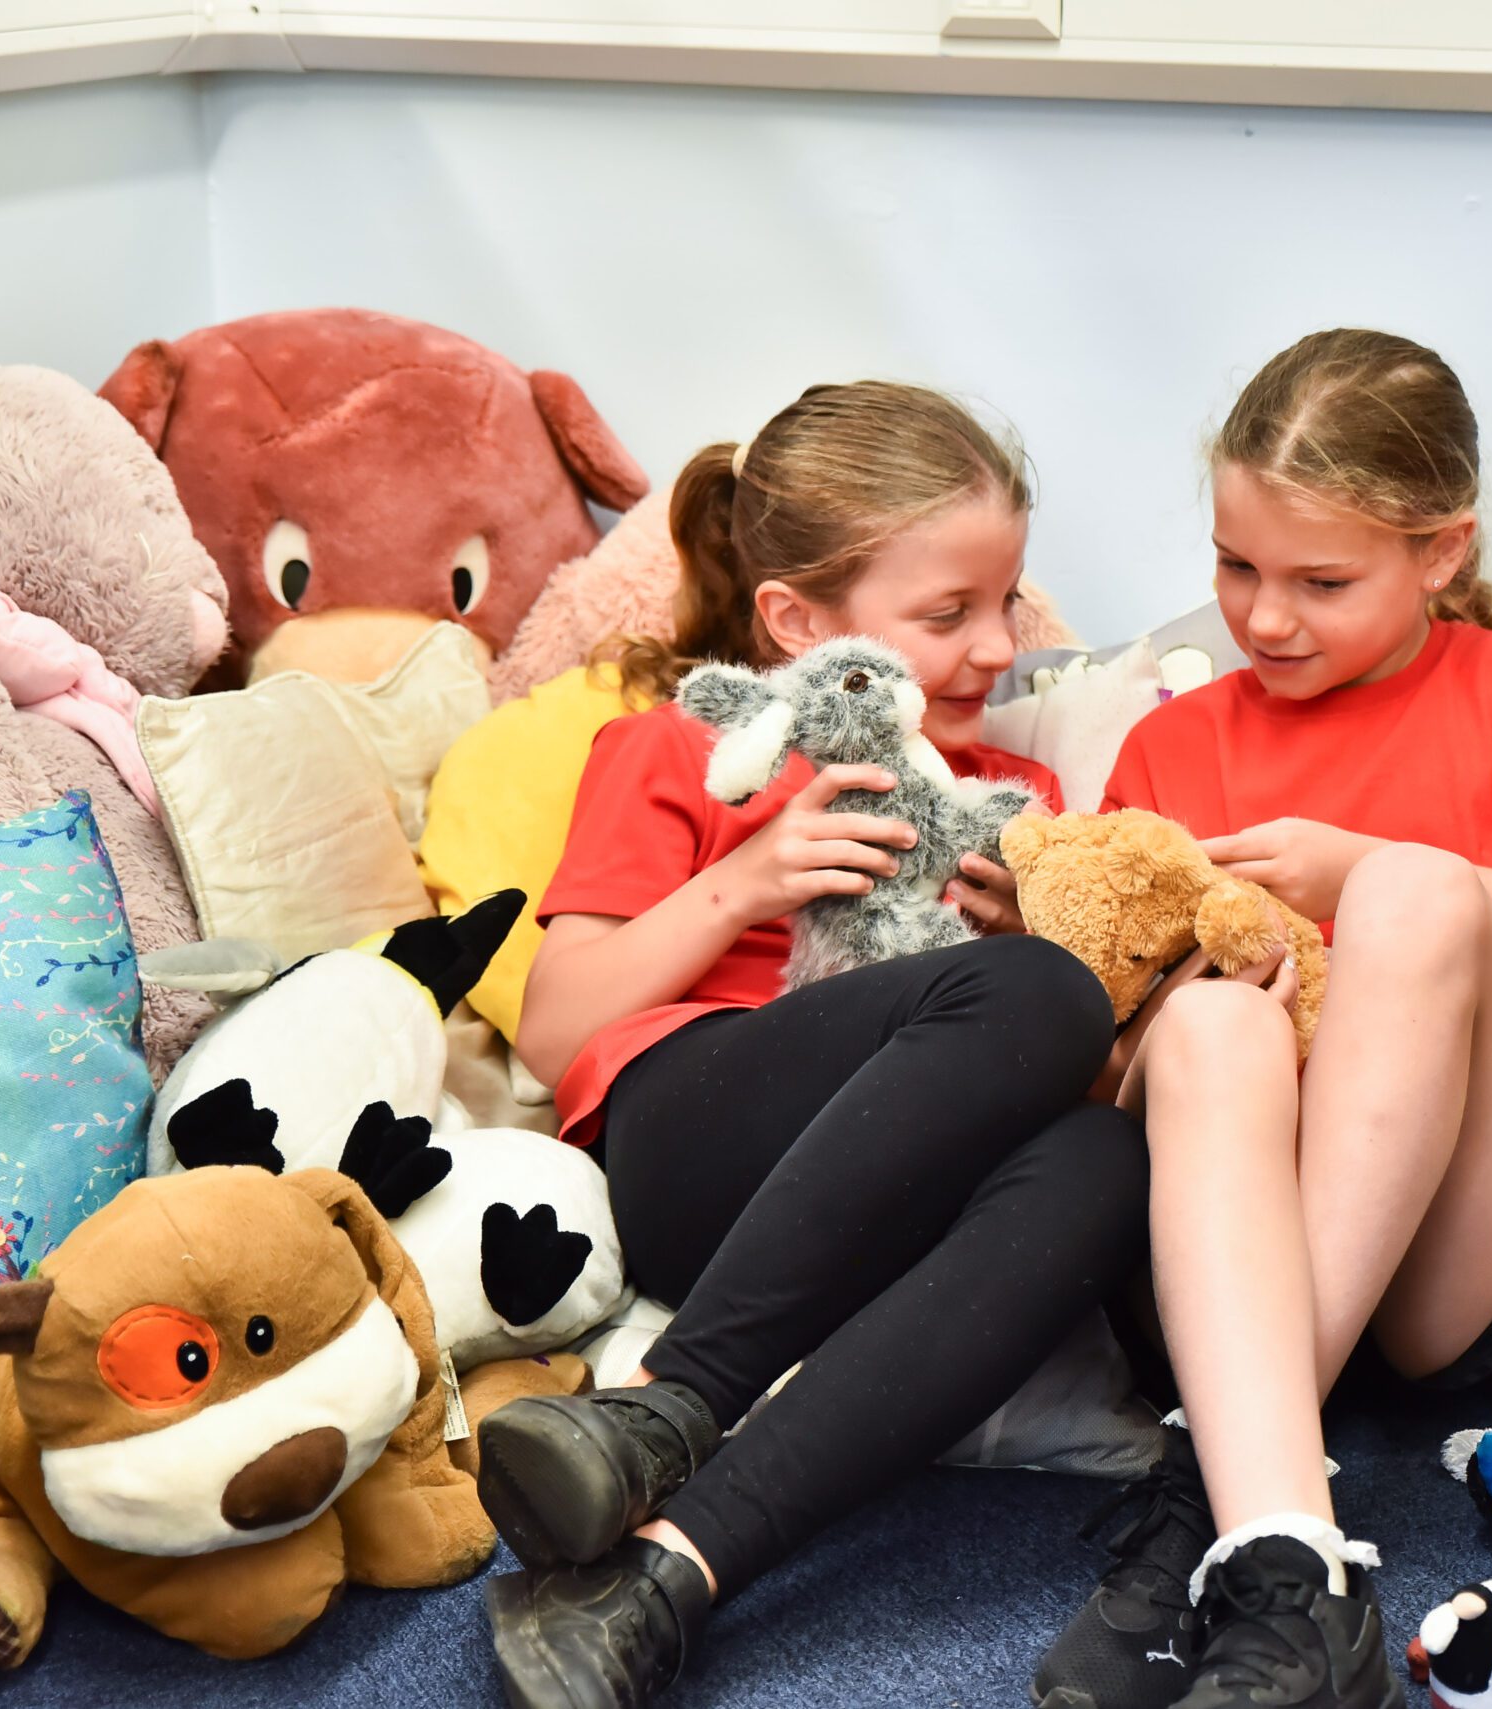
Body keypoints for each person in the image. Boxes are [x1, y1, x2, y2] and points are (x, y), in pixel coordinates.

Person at [1032, 331, 1492, 1709]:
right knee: (1213, 1030)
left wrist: (1351, 869)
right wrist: (1197, 996)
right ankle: (1274, 1528)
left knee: (1410, 891)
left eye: (1320, 582)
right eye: (1235, 569)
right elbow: (1102, 1045)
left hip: (1459, 1252)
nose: (1263, 618)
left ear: (1443, 552)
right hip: (1225, 1241)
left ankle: (1200, 1488)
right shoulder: (1174, 741)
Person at [481, 383, 1147, 1709]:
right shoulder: (681, 747)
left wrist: (1046, 940)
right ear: (794, 619)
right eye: (947, 613)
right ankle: (676, 1396)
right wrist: (746, 883)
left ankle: (665, 1574)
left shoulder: (1022, 803)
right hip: (696, 1140)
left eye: (1009, 601)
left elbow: (1098, 1056)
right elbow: (559, 1029)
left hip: (896, 1207)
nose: (999, 647)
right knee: (1032, 997)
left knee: (1104, 1159)